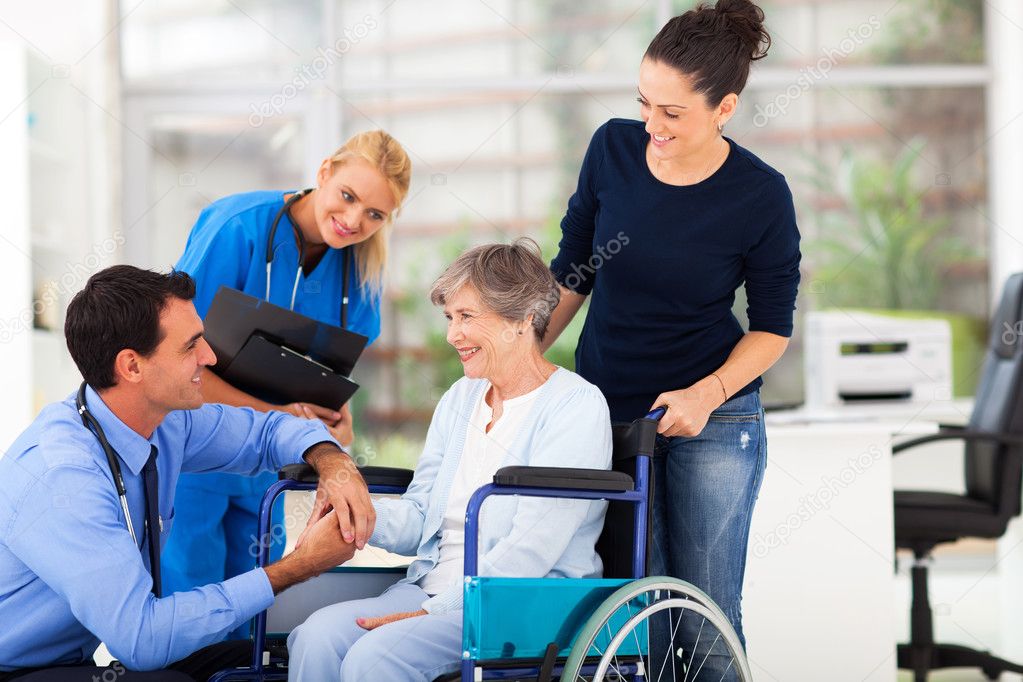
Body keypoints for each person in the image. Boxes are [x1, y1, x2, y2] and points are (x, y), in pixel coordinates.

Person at [544, 0, 800, 677]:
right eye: (644, 104)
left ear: (724, 108)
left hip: (711, 415)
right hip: (608, 410)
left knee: (703, 612)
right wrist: (520, 355)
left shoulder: (758, 195)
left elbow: (773, 328)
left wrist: (705, 394)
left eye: (672, 113)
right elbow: (574, 268)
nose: (651, 126)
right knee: (629, 611)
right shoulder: (611, 148)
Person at [0, 266, 374, 681]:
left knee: (264, 660)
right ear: (132, 366)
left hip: (74, 663)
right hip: (17, 670)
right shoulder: (64, 475)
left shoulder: (165, 422)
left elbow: (267, 432)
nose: (209, 358)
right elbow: (143, 641)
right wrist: (299, 566)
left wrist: (333, 461)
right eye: (191, 346)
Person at [286, 239, 613, 681]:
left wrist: (433, 611)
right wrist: (358, 514)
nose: (451, 334)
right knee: (315, 637)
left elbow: (531, 552)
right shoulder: (461, 399)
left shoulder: (575, 405)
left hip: (514, 606)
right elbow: (423, 514)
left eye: (466, 317)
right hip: (429, 590)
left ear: (522, 318)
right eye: (449, 318)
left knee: (374, 658)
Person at [161, 130, 412, 634]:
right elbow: (175, 364)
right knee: (185, 607)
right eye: (348, 196)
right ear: (323, 173)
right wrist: (282, 416)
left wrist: (338, 424)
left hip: (266, 464)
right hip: (193, 443)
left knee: (251, 608)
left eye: (375, 214)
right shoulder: (237, 228)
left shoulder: (361, 271)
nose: (354, 221)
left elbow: (334, 375)